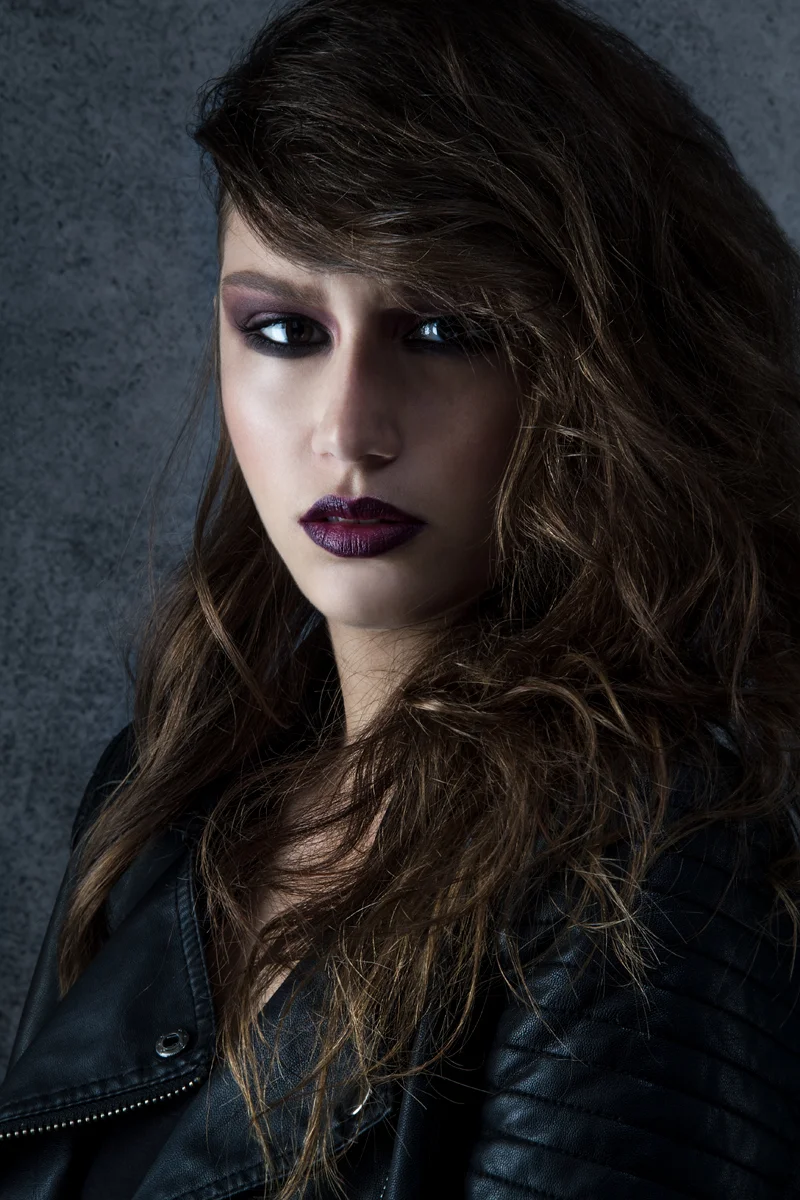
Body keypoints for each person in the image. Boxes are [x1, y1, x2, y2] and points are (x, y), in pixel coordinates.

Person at [2, 0, 800, 1195]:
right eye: (283, 331)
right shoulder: (164, 794)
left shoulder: (644, 876)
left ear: (597, 373)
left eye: (439, 329)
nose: (348, 431)